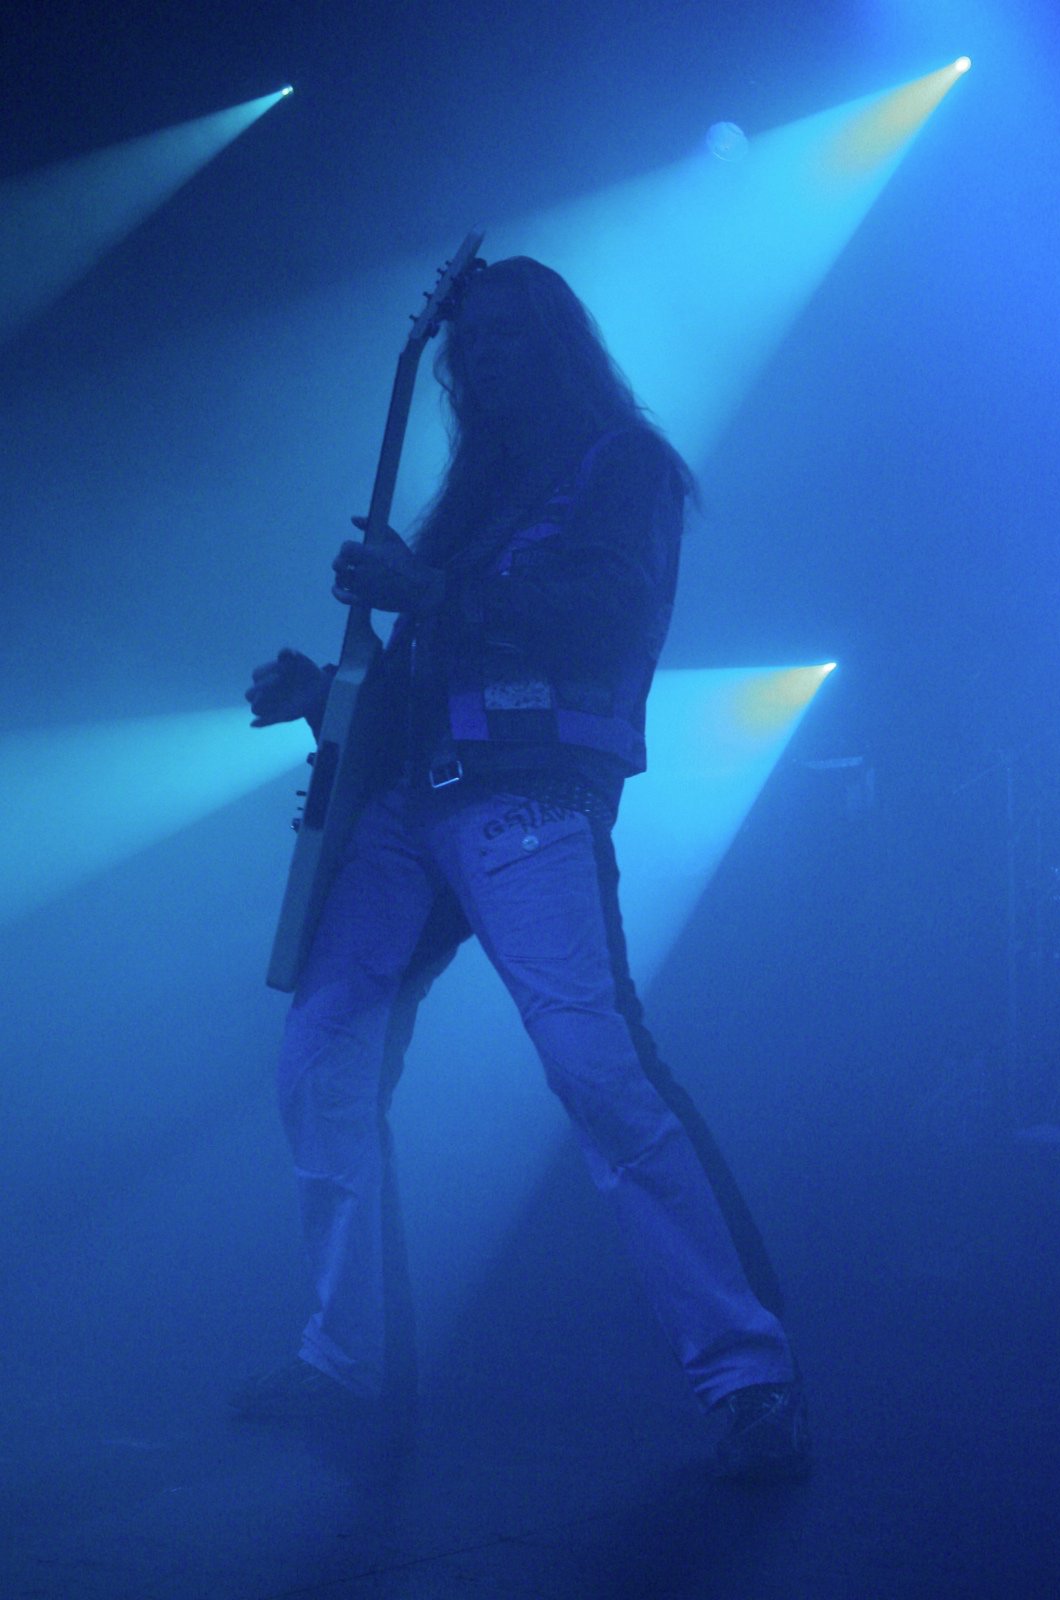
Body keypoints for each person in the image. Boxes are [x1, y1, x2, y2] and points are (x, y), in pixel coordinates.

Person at [239, 256, 811, 1483]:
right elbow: (419, 674)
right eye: (470, 341)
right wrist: (321, 694)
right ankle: (345, 1355)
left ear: (555, 342)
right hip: (409, 803)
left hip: (529, 800)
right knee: (320, 1056)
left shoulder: (622, 464)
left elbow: (611, 614)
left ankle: (748, 1375)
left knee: (595, 1067)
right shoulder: (474, 489)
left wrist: (431, 585)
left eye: (505, 335)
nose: (481, 357)